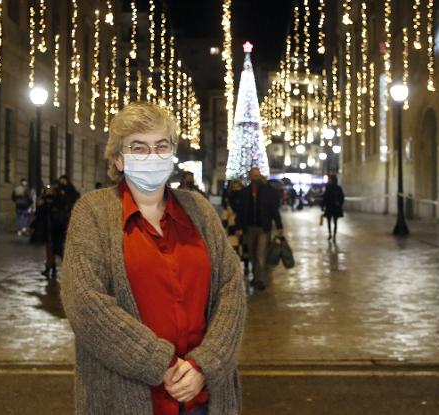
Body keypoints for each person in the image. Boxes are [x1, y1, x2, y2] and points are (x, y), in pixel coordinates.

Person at [61, 102, 246, 415]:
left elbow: (231, 289)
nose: (152, 156)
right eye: (138, 148)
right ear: (119, 159)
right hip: (124, 400)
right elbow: (85, 304)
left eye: (162, 146)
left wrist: (205, 364)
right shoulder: (92, 212)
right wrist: (164, 365)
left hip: (202, 399)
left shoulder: (198, 210)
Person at [235, 167, 283, 291]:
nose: (255, 178)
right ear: (250, 177)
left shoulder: (267, 191)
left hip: (263, 227)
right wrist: (239, 227)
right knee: (252, 254)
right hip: (249, 227)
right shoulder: (244, 192)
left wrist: (279, 225)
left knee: (260, 254)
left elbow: (274, 209)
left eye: (257, 176)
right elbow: (240, 211)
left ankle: (259, 280)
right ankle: (255, 277)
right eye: (253, 176)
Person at [321, 174, 345, 241]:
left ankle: (331, 234)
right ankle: (333, 235)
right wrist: (340, 204)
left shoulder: (329, 187)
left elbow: (325, 197)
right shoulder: (337, 188)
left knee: (331, 221)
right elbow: (342, 197)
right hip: (334, 207)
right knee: (334, 222)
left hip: (330, 207)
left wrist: (323, 206)